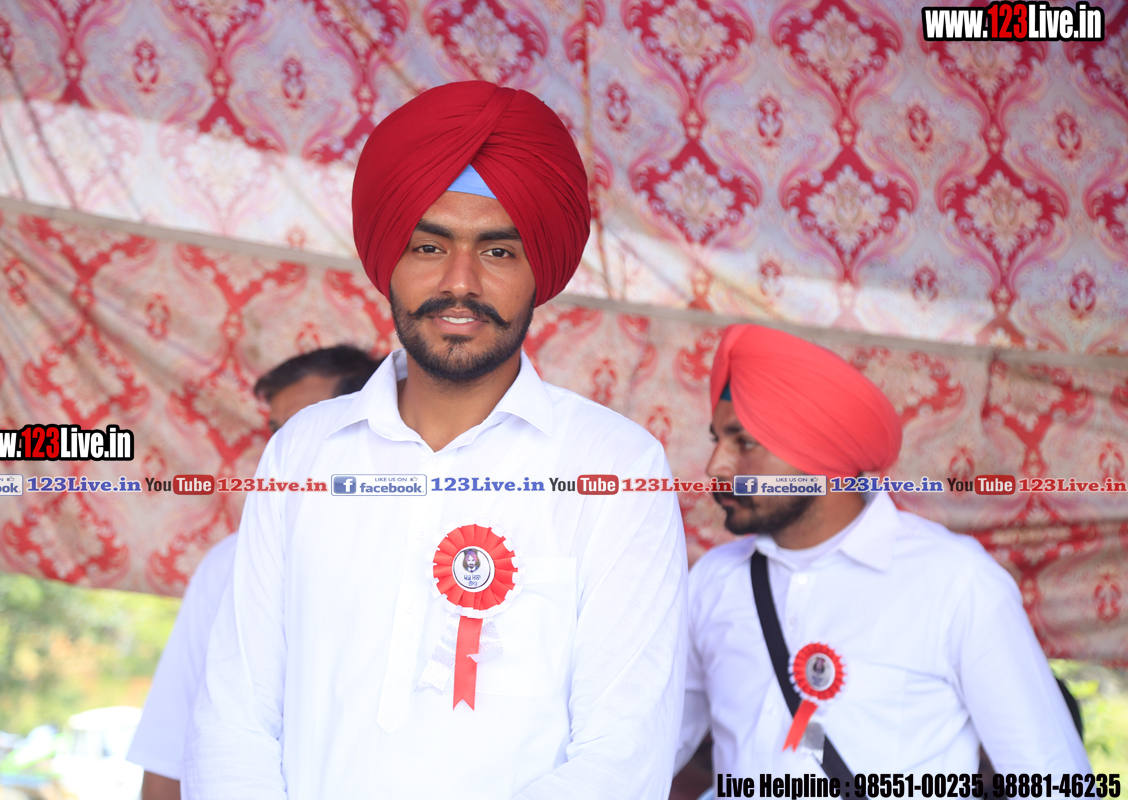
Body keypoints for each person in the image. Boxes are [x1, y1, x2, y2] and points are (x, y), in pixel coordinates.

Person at [183, 80, 687, 800]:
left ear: (538, 271)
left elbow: (622, 758)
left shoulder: (616, 466)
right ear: (388, 259)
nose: (460, 283)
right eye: (429, 245)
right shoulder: (305, 450)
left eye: (498, 251)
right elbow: (235, 720)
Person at [675, 324, 1090, 780]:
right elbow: (655, 743)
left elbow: (1052, 778)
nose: (716, 466)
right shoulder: (713, 581)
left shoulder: (955, 582)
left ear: (820, 454)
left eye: (745, 442)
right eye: (717, 440)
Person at [126, 345, 381, 800]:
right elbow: (171, 749)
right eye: (278, 431)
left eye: (306, 424)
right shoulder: (230, 563)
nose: (287, 445)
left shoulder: (442, 550)